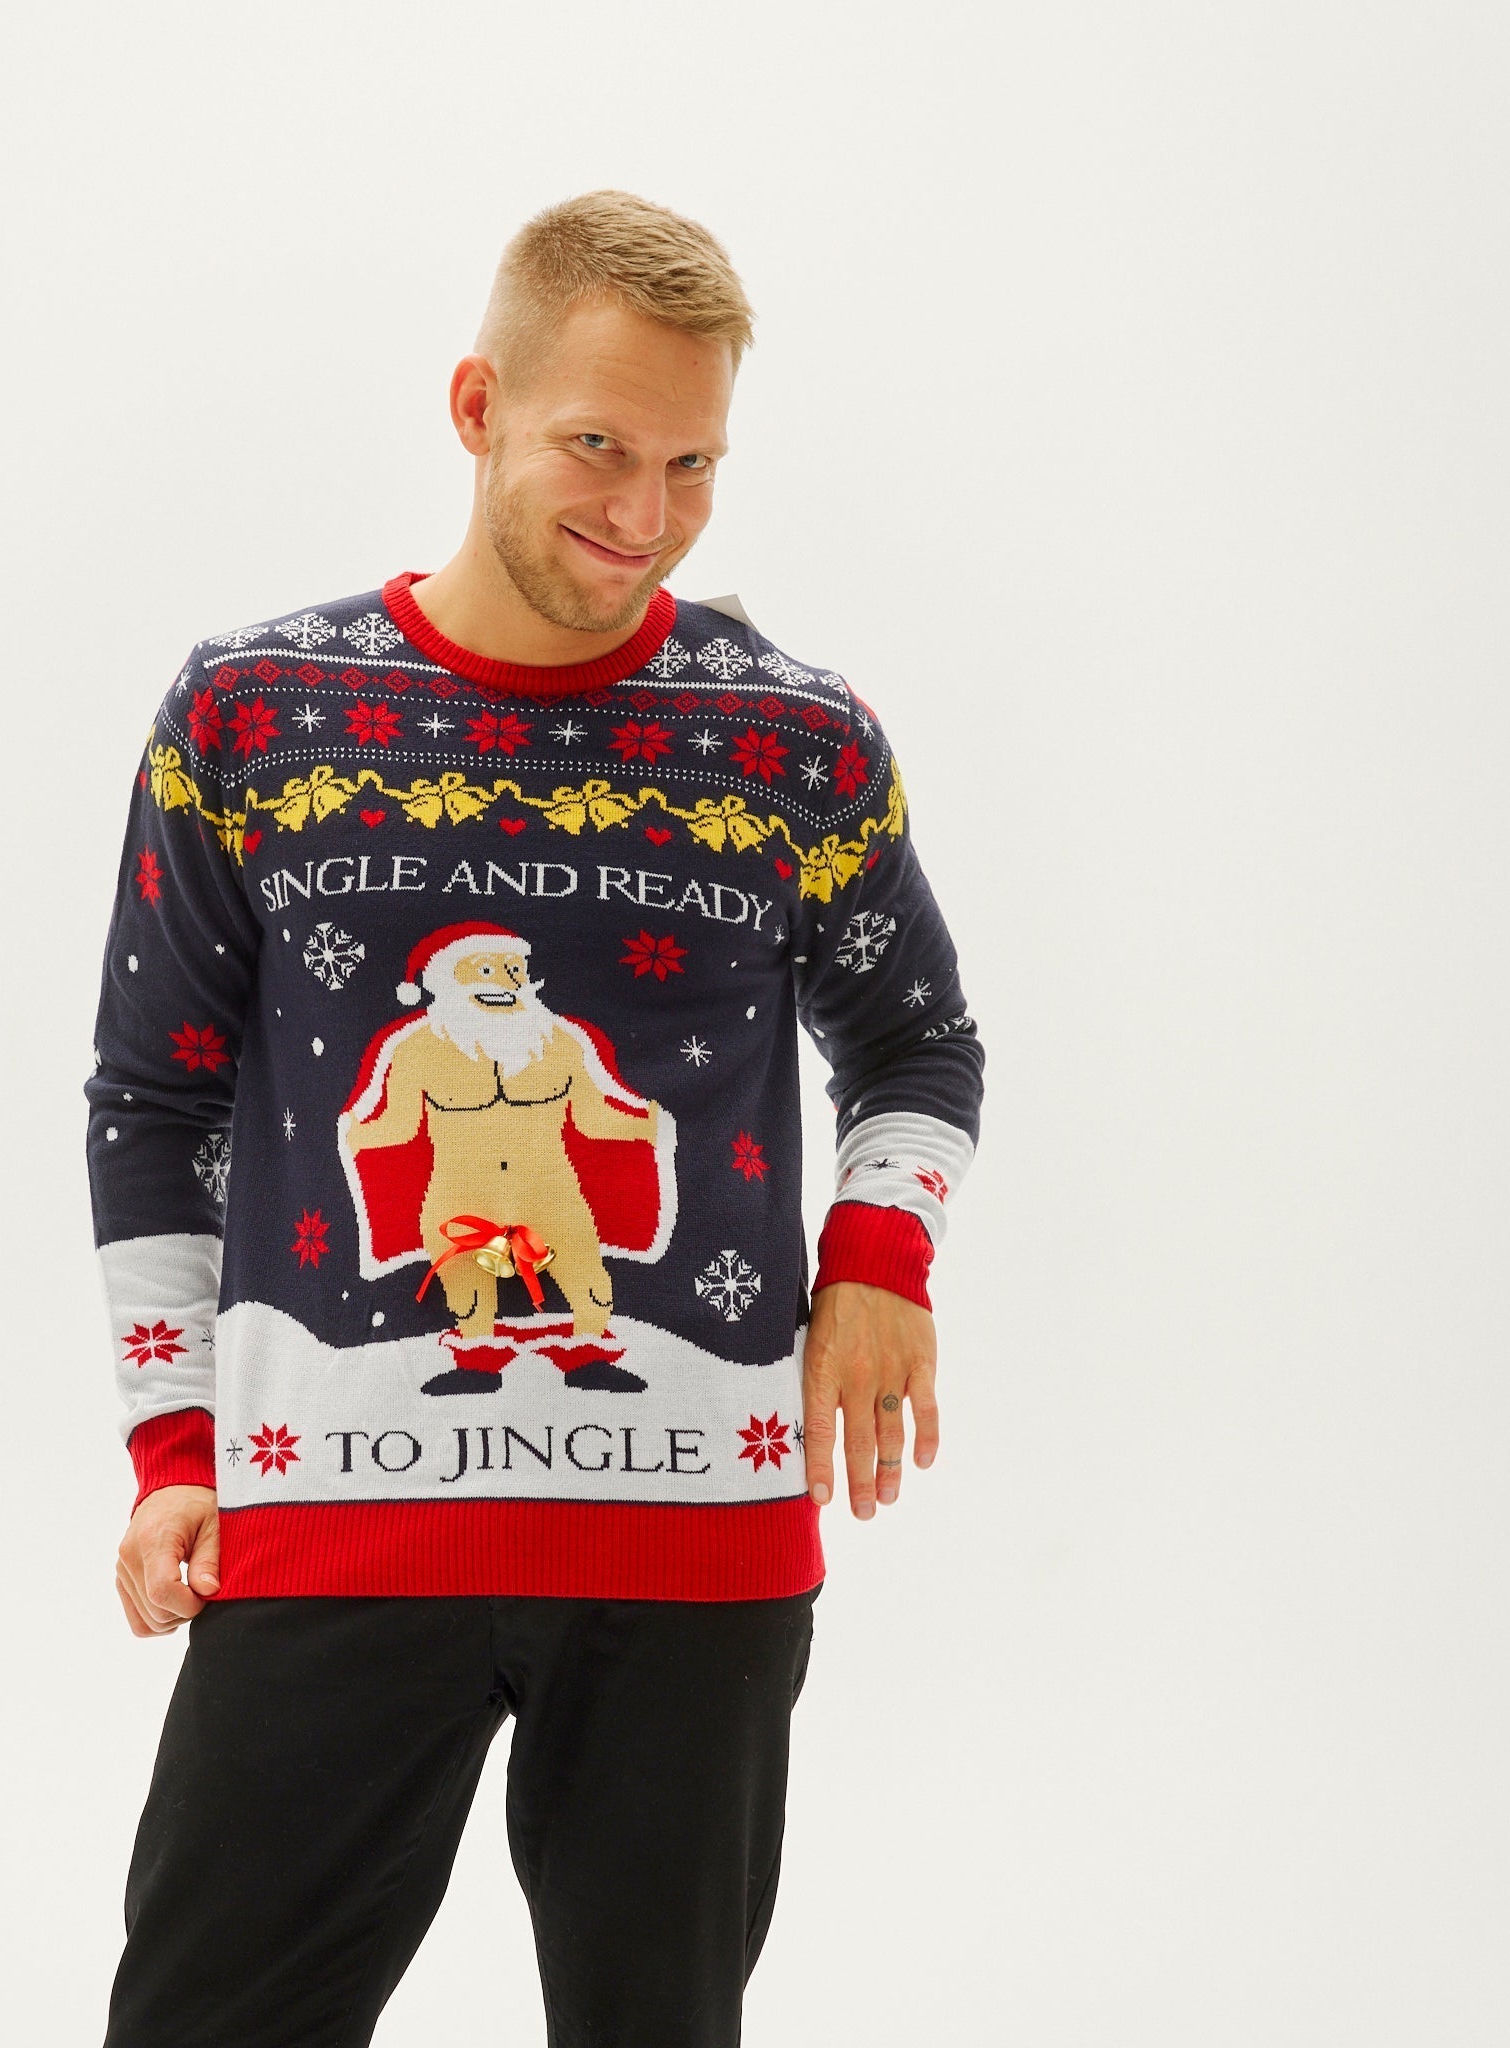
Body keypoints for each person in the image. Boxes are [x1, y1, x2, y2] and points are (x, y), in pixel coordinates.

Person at [82, 188, 986, 2048]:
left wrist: (879, 1258)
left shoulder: (791, 742)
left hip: (695, 1549)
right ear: (477, 404)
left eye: (692, 464)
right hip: (333, 1520)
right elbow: (152, 1102)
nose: (645, 513)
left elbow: (920, 1043)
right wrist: (176, 1442)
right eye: (598, 447)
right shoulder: (256, 714)